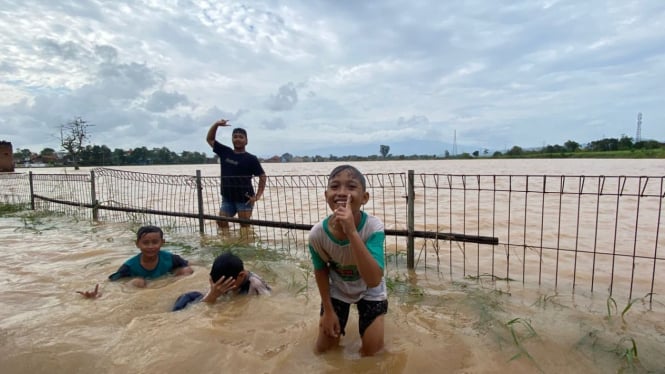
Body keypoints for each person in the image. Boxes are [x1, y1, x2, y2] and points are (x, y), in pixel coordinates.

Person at [308, 165, 388, 357]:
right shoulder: (317, 235)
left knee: (372, 352)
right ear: (326, 194)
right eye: (335, 187)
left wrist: (351, 231)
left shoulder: (373, 227)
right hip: (339, 288)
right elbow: (321, 271)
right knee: (323, 351)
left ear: (365, 198)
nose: (342, 193)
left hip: (370, 290)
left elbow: (373, 280)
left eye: (351, 187)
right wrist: (328, 311)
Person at [206, 119, 267, 232]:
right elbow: (210, 139)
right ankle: (228, 244)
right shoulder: (225, 152)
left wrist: (258, 196)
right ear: (232, 139)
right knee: (221, 221)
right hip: (227, 197)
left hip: (245, 199)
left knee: (244, 227)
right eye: (235, 137)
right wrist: (216, 125)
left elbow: (262, 176)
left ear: (246, 141)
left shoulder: (251, 159)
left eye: (241, 137)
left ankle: (244, 246)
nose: (238, 139)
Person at [172, 251, 271, 311]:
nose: (223, 289)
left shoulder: (255, 284)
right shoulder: (224, 279)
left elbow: (268, 301)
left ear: (241, 275)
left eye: (227, 286)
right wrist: (213, 295)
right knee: (187, 299)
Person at [107, 225, 194, 288]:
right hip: (143, 288)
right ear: (137, 244)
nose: (150, 246)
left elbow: (188, 264)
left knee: (187, 270)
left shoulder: (171, 258)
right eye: (145, 243)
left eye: (155, 242)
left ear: (162, 242)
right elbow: (113, 283)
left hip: (167, 283)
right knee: (138, 282)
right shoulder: (129, 266)